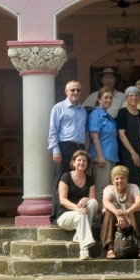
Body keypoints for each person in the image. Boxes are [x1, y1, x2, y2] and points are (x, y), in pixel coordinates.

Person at [48, 80, 88, 217]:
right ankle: (56, 215)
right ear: (66, 92)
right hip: (64, 147)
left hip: (79, 148)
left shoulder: (83, 110)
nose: (75, 92)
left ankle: (73, 212)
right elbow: (53, 131)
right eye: (72, 90)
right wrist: (55, 150)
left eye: (78, 90)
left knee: (76, 180)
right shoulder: (58, 108)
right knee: (60, 180)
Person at [55, 149, 99, 260]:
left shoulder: (89, 179)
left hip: (82, 214)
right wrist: (76, 209)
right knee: (81, 215)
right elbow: (63, 200)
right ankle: (84, 251)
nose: (81, 163)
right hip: (65, 216)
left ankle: (78, 235)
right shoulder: (66, 177)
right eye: (79, 160)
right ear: (73, 163)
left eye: (84, 161)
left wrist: (86, 198)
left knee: (93, 202)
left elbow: (92, 199)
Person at [100, 164, 140, 260]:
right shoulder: (109, 189)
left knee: (136, 212)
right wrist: (117, 213)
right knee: (108, 213)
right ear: (112, 180)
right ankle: (110, 248)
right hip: (114, 221)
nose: (119, 181)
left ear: (127, 179)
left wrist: (126, 212)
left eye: (122, 178)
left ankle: (139, 247)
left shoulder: (133, 187)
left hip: (130, 219)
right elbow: (105, 202)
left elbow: (139, 203)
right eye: (117, 178)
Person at [88, 86, 119, 201]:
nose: (108, 100)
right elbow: (94, 136)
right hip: (102, 157)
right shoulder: (96, 114)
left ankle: (107, 217)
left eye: (110, 98)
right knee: (101, 189)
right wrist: (100, 156)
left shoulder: (109, 116)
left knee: (110, 189)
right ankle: (99, 218)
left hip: (111, 157)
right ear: (99, 99)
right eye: (105, 97)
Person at [117, 85, 140, 186]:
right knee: (131, 178)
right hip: (128, 152)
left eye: (136, 95)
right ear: (126, 98)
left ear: (139, 98)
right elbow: (121, 134)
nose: (133, 97)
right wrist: (132, 152)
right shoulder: (122, 113)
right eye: (131, 95)